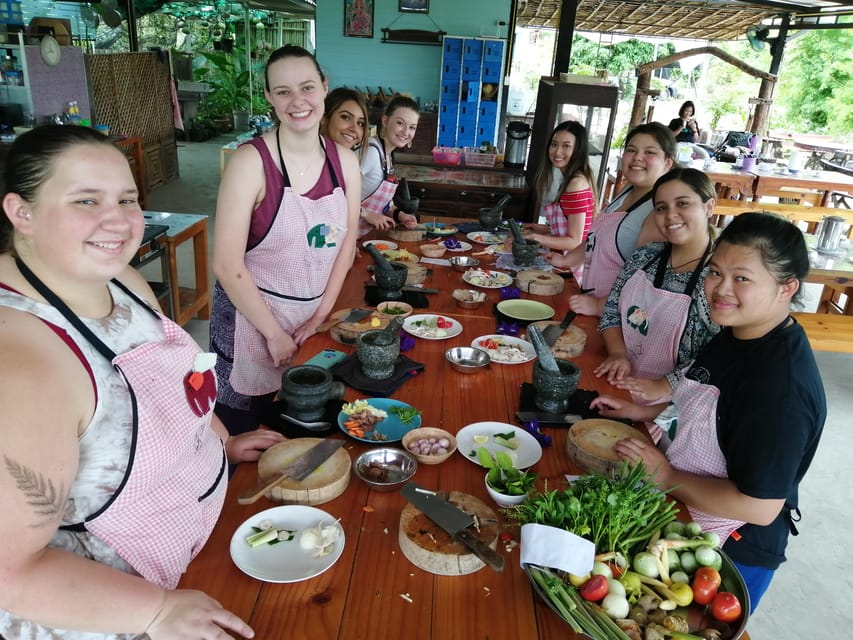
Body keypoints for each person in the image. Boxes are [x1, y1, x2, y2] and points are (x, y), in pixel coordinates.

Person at [0, 125, 283, 638]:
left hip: (202, 541)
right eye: (86, 199)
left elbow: (175, 385)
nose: (119, 220)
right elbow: (10, 573)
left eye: (127, 198)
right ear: (22, 212)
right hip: (119, 610)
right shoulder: (20, 359)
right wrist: (156, 611)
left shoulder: (120, 279)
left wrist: (221, 442)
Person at [591, 212, 826, 612]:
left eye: (742, 278)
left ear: (788, 288)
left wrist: (665, 476)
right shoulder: (736, 332)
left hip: (728, 548)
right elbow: (702, 403)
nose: (720, 289)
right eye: (715, 272)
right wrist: (639, 409)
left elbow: (759, 506)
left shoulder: (779, 389)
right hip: (683, 510)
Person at [210, 45, 361, 435]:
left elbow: (346, 249)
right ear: (268, 97)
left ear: (324, 88)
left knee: (302, 426)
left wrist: (319, 317)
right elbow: (227, 265)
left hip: (308, 319)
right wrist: (274, 335)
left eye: (307, 87)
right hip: (252, 320)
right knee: (245, 432)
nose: (298, 102)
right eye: (283, 92)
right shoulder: (250, 163)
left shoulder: (344, 162)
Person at [596, 167, 720, 404]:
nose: (670, 215)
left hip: (674, 406)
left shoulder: (717, 278)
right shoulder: (645, 256)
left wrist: (664, 386)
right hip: (618, 383)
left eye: (682, 204)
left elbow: (719, 355)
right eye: (661, 208)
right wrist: (617, 353)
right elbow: (612, 309)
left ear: (709, 207)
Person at [545, 123, 676, 317]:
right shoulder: (627, 190)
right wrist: (566, 259)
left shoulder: (658, 211)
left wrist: (599, 305)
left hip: (614, 317)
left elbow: (644, 285)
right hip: (589, 301)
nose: (638, 157)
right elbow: (595, 236)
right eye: (631, 150)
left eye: (649, 152)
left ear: (667, 163)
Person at [516, 120, 596, 254]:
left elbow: (575, 241)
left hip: (571, 265)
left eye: (566, 146)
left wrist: (536, 237)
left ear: (578, 150)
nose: (557, 152)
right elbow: (570, 228)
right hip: (561, 258)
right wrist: (544, 229)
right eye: (554, 144)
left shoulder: (576, 184)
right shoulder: (571, 179)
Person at [359, 93, 420, 234]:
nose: (406, 132)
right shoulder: (371, 152)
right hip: (343, 238)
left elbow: (382, 203)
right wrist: (367, 215)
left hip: (363, 238)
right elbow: (337, 194)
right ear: (385, 120)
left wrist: (400, 215)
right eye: (400, 123)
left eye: (412, 127)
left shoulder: (388, 155)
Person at [320, 87, 369, 159]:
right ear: (325, 118)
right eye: (346, 118)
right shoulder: (305, 158)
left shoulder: (349, 162)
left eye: (360, 123)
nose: (354, 128)